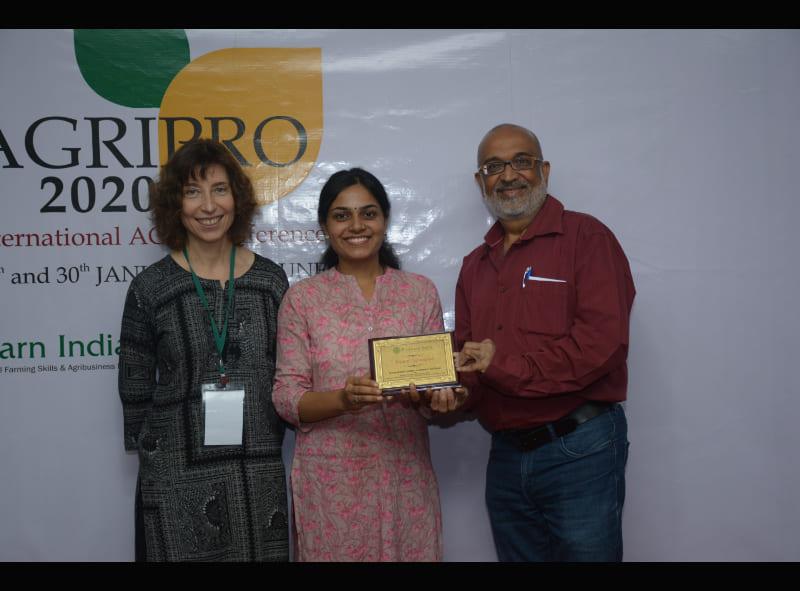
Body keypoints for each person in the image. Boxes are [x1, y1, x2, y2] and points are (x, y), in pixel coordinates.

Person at [455, 124, 635, 562]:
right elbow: (467, 363)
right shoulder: (474, 266)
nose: (508, 175)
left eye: (521, 162)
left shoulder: (587, 238)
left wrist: (503, 367)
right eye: (493, 167)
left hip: (580, 449)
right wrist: (447, 394)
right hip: (506, 457)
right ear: (480, 181)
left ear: (544, 170)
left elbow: (602, 344)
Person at [273, 168, 464, 561]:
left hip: (405, 477)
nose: (356, 226)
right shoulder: (302, 300)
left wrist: (440, 397)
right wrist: (343, 400)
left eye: (368, 213)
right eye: (342, 216)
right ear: (324, 226)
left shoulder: (419, 292)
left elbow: (433, 384)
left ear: (385, 220)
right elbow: (287, 398)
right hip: (330, 484)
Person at [118, 138, 290, 561]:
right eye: (192, 192)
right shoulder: (150, 287)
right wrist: (154, 452)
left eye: (219, 189)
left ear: (237, 198)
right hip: (175, 476)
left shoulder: (271, 281)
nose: (208, 206)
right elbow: (134, 387)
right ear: (175, 204)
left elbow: (288, 374)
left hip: (256, 472)